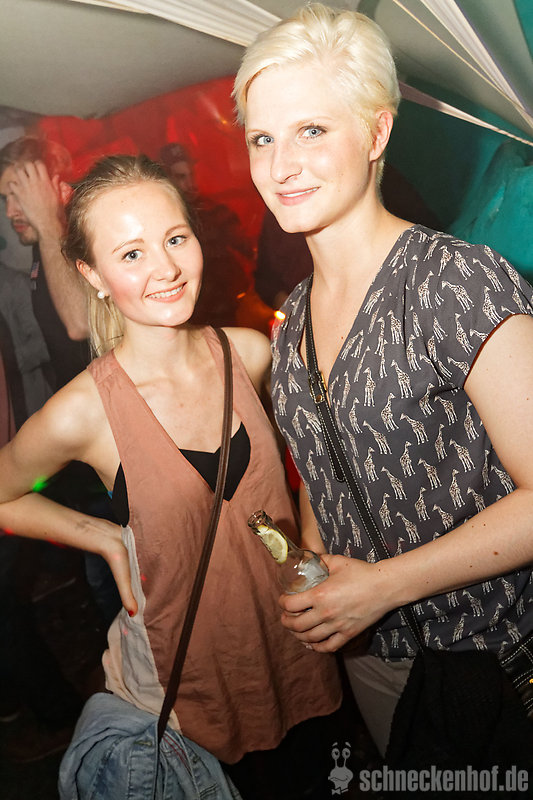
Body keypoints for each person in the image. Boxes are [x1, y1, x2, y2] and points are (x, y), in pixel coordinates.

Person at [233, 2, 533, 758]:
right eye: (262, 138)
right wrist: (315, 569)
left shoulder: (454, 281)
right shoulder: (292, 322)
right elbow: (327, 473)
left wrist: (383, 585)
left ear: (376, 133)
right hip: (375, 662)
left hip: (496, 658)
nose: (280, 165)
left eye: (311, 130)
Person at [0, 154, 342, 797]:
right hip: (185, 683)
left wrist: (314, 554)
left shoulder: (250, 353)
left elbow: (306, 472)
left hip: (289, 642)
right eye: (131, 254)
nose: (166, 268)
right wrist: (102, 536)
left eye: (175, 238)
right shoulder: (85, 411)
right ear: (92, 275)